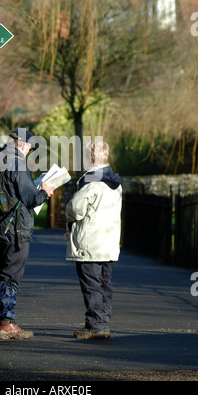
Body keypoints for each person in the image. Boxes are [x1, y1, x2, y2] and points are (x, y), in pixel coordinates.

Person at [0, 128, 54, 340]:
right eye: (30, 148)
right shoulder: (17, 163)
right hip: (14, 229)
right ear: (24, 145)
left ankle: (1, 321)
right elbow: (31, 198)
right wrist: (44, 191)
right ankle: (6, 323)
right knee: (10, 276)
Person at [65, 140, 122, 339]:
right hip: (109, 240)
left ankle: (94, 326)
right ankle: (103, 323)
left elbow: (75, 209)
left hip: (90, 241)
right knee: (105, 283)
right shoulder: (115, 182)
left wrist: (69, 215)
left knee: (91, 285)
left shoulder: (91, 182)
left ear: (91, 158)